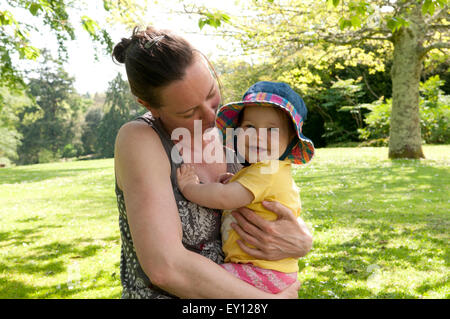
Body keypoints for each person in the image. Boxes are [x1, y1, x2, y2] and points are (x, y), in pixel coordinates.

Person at [112, 26, 313, 299]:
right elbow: (165, 267)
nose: (210, 116)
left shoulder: (238, 132)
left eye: (210, 94)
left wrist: (303, 241)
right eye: (189, 111)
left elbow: (276, 196)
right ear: (149, 105)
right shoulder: (140, 139)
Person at [176, 81, 315, 294]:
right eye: (249, 126)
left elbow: (223, 198)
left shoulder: (267, 172)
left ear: (290, 143)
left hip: (264, 270)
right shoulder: (263, 171)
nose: (257, 135)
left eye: (271, 130)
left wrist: (189, 187)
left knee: (205, 284)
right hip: (268, 270)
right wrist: (235, 181)